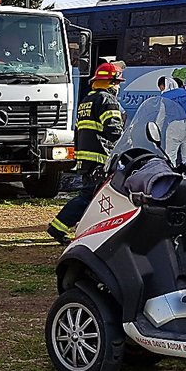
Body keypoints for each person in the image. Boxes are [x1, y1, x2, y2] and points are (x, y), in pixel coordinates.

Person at [48, 62, 124, 244]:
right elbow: (113, 130)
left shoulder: (87, 100)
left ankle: (73, 227)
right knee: (89, 196)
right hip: (100, 157)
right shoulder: (107, 100)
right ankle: (58, 227)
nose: (119, 86)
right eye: (117, 82)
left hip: (86, 157)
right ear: (111, 82)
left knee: (91, 196)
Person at [159, 66, 186, 165]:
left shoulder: (164, 97)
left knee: (170, 156)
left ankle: (171, 177)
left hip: (174, 126)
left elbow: (161, 117)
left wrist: (157, 132)